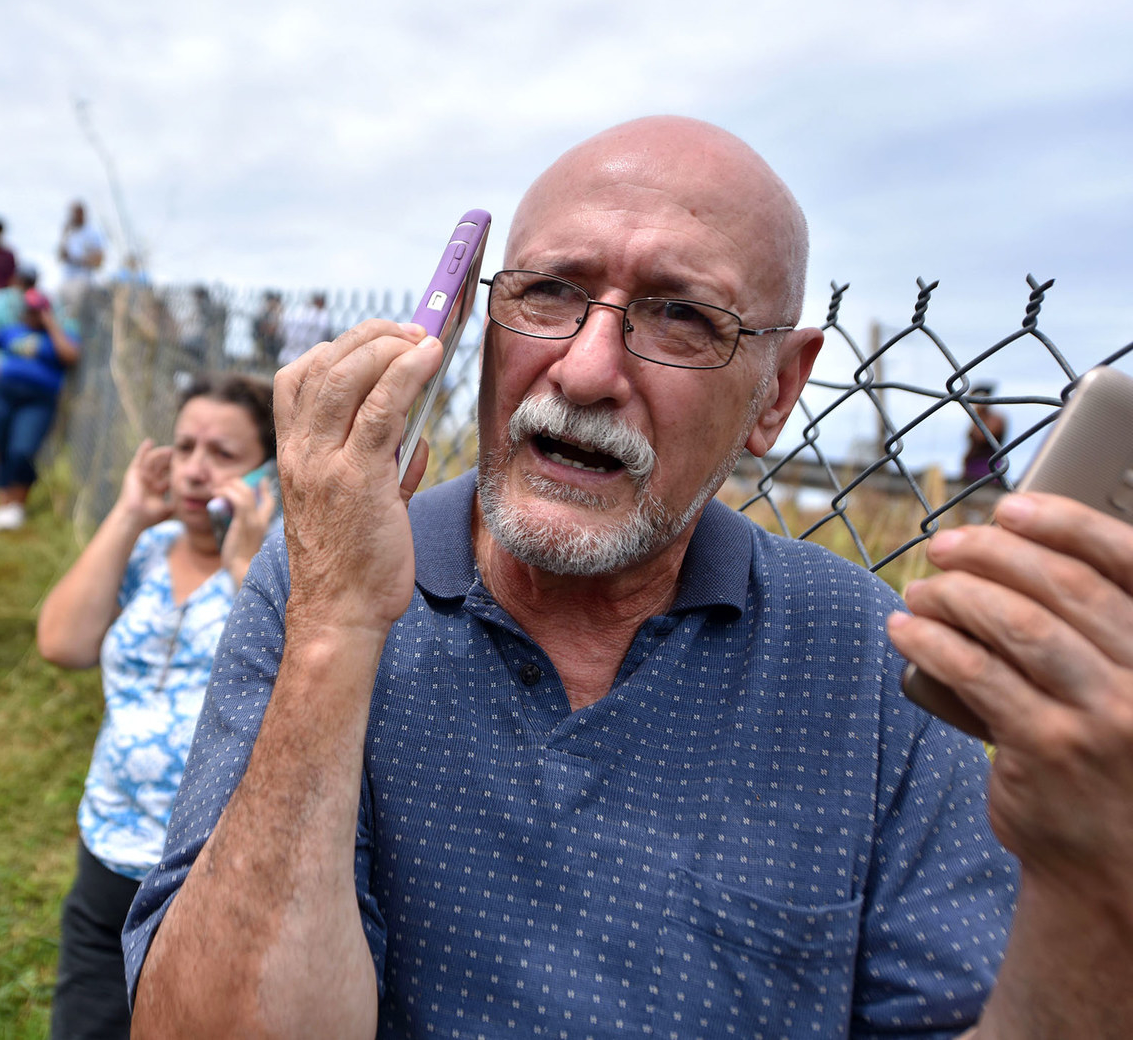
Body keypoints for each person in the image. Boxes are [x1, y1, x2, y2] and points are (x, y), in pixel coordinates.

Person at [126, 117, 1133, 1037]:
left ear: (775, 392)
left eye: (681, 317)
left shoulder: (871, 665)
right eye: (550, 292)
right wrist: (336, 627)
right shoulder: (319, 581)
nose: (585, 369)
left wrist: (1093, 890)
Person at [36, 374, 277, 1040]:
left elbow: (296, 701)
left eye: (223, 454)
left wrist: (246, 567)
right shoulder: (145, 551)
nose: (197, 469)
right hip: (109, 848)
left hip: (207, 871)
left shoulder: (283, 569)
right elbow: (62, 643)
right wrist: (130, 513)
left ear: (268, 470)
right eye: (185, 447)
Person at [0, 288, 81, 531]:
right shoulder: (12, 330)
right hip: (3, 393)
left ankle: (18, 505)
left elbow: (70, 356)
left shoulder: (61, 334)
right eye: (29, 310)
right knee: (2, 444)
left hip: (38, 399)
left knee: (23, 448)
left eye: (38, 310)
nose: (32, 314)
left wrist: (51, 325)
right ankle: (3, 505)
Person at [56, 200, 105, 317]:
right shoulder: (69, 232)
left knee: (75, 315)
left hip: (83, 281)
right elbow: (60, 257)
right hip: (66, 280)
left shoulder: (93, 233)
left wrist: (77, 259)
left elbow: (99, 261)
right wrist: (64, 235)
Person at [961, 383, 1009, 484]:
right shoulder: (976, 419)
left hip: (989, 465)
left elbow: (981, 437)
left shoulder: (996, 419)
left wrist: (978, 415)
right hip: (972, 466)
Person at [274, 290, 333, 365]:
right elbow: (326, 338)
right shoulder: (323, 316)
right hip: (310, 359)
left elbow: (280, 333)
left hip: (286, 356)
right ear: (321, 301)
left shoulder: (295, 312)